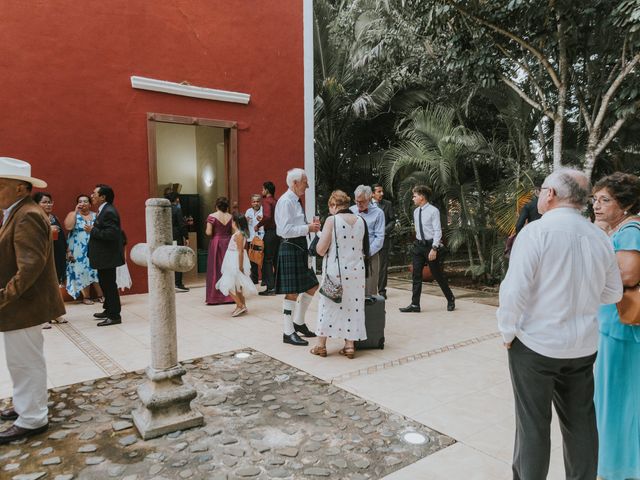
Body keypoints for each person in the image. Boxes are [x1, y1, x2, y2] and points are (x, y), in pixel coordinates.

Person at [497, 168, 623, 480]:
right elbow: (613, 292)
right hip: (581, 347)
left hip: (535, 346)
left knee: (533, 427)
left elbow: (514, 291)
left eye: (541, 189)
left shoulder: (535, 233)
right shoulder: (599, 237)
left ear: (551, 194)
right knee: (581, 423)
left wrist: (508, 332)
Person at [0, 157, 65, 444]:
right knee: (21, 360)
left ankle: (32, 418)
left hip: (23, 303)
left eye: (0, 185)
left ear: (19, 188)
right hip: (21, 303)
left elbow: (29, 266)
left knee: (25, 361)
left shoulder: (26, 214)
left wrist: (5, 296)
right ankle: (25, 404)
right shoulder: (19, 212)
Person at [591, 172, 640, 480]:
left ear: (625, 203)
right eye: (595, 199)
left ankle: (621, 466)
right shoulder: (616, 229)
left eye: (605, 200)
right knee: (609, 396)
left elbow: (629, 275)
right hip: (612, 326)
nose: (597, 205)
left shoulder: (631, 229)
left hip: (624, 330)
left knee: (620, 399)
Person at [311, 190, 368, 359]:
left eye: (331, 207)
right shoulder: (360, 221)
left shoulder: (332, 220)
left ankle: (321, 345)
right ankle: (349, 346)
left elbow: (320, 250)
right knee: (353, 306)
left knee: (328, 306)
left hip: (336, 272)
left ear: (334, 205)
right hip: (357, 272)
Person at [275, 168, 320, 346]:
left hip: (299, 246)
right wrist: (307, 228)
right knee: (292, 292)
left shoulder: (294, 200)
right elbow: (283, 230)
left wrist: (307, 228)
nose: (307, 185)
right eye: (305, 182)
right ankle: (288, 332)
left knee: (313, 285)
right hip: (290, 246)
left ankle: (298, 323)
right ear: (295, 183)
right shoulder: (286, 201)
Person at [400, 185, 455, 313]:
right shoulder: (415, 212)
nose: (413, 199)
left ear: (422, 197)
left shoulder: (433, 211)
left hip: (431, 246)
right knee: (416, 275)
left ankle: (450, 298)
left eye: (414, 196)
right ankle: (415, 305)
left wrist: (434, 248)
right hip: (418, 246)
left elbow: (437, 231)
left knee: (437, 275)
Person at [88, 184, 125, 326]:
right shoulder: (103, 210)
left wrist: (92, 230)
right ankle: (108, 309)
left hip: (108, 256)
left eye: (94, 193)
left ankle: (114, 315)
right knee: (105, 283)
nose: (92, 195)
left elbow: (112, 234)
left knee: (109, 285)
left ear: (103, 197)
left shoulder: (109, 211)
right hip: (104, 256)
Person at [33, 192, 68, 327]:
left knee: (53, 287)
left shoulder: (53, 217)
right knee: (41, 287)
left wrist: (67, 251)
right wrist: (49, 229)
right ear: (36, 204)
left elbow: (62, 238)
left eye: (50, 202)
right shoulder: (35, 218)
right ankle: (40, 317)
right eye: (45, 202)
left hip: (55, 257)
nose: (48, 204)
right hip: (41, 257)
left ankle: (55, 313)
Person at [216, 212, 258, 317]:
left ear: (236, 222)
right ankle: (242, 305)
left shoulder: (239, 234)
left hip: (234, 260)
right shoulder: (239, 233)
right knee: (237, 285)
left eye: (233, 221)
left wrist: (240, 266)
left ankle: (240, 305)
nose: (231, 223)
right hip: (232, 258)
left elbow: (240, 251)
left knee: (226, 284)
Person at [64, 194, 103, 304]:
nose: (83, 203)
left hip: (95, 247)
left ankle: (101, 294)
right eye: (80, 201)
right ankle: (86, 297)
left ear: (90, 204)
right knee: (81, 271)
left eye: (85, 201)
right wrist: (75, 212)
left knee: (96, 271)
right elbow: (68, 227)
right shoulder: (73, 215)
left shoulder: (97, 215)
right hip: (77, 249)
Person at [350, 185, 385, 296]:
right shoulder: (351, 210)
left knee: (370, 291)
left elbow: (379, 238)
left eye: (362, 201)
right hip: (352, 255)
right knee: (353, 289)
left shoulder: (379, 213)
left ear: (369, 199)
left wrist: (367, 253)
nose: (359, 204)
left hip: (370, 255)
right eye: (357, 201)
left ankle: (370, 313)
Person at [205, 196, 234, 305]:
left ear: (216, 205)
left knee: (215, 268)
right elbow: (234, 231)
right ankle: (229, 296)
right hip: (227, 242)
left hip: (216, 243)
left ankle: (215, 297)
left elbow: (208, 232)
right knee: (228, 268)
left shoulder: (212, 216)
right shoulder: (230, 217)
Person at [372, 184, 394, 299]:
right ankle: (369, 289)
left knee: (383, 266)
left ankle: (381, 290)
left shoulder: (387, 204)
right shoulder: (366, 205)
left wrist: (383, 231)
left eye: (382, 191)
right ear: (372, 194)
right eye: (379, 191)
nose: (382, 194)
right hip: (369, 240)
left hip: (383, 240)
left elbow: (392, 221)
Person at [257, 181, 279, 295]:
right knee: (276, 260)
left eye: (263, 189)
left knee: (267, 260)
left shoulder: (266, 201)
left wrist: (258, 225)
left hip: (270, 232)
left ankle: (270, 287)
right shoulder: (276, 201)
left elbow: (267, 216)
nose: (262, 191)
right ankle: (277, 286)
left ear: (266, 190)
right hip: (279, 233)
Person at [165, 192, 190, 292]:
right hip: (176, 236)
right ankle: (178, 283)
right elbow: (181, 224)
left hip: (166, 237)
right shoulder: (177, 209)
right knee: (178, 258)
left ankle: (169, 283)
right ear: (176, 199)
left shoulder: (164, 209)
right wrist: (186, 237)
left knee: (168, 259)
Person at [245, 193, 264, 284]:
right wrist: (246, 221)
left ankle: (265, 280)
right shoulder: (248, 211)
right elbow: (244, 224)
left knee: (263, 259)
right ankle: (254, 280)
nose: (256, 203)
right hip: (251, 239)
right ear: (251, 203)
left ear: (260, 202)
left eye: (257, 201)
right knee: (252, 260)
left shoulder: (264, 211)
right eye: (254, 202)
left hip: (261, 238)